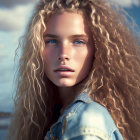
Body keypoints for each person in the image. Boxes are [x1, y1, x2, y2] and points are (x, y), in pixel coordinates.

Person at [7, 0, 140, 139]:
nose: (64, 54)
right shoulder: (56, 112)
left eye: (78, 41)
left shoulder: (85, 122)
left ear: (98, 50)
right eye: (52, 41)